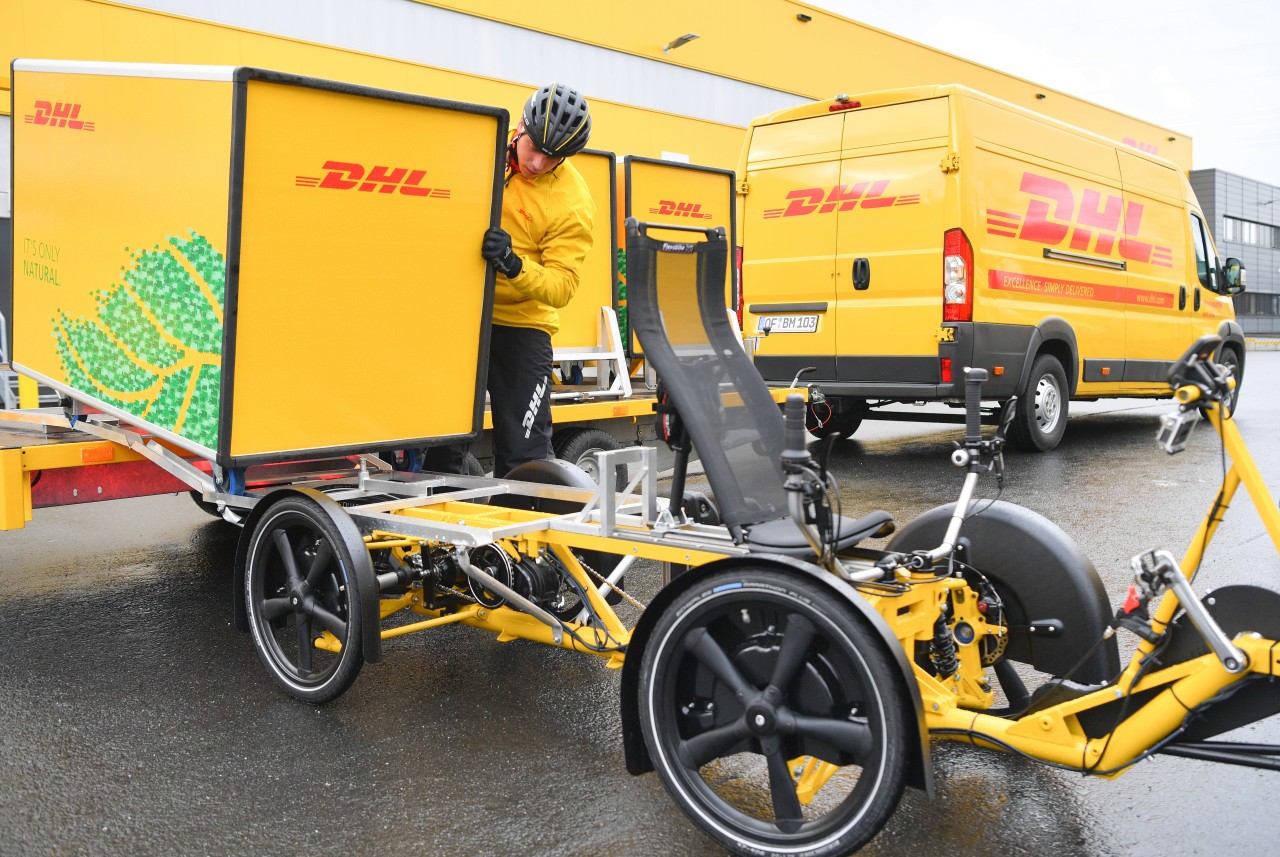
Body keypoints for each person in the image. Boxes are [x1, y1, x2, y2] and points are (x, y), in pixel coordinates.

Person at [426, 83, 596, 477]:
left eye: (553, 158)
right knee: (440, 445)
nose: (537, 162)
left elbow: (562, 286)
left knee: (526, 453)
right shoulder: (480, 148)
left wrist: (513, 264)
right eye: (533, 147)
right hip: (461, 314)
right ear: (520, 126)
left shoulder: (572, 201)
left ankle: (524, 531)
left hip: (522, 324)